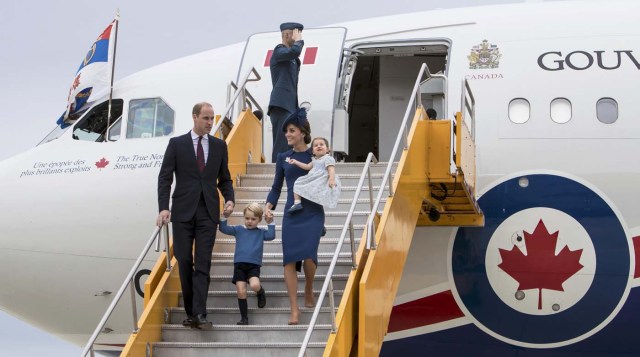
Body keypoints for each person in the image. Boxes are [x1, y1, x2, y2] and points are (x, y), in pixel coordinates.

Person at [156, 102, 235, 330]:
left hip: (208, 212)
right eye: (206, 118)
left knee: (203, 263)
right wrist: (163, 208)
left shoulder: (219, 146)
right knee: (183, 260)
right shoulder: (177, 144)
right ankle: (191, 312)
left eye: (212, 119)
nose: (210, 123)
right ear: (195, 117)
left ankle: (199, 313)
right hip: (182, 212)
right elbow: (165, 178)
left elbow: (225, 179)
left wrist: (229, 198)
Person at [265, 108, 323, 325]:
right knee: (289, 260)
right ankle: (294, 309)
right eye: (286, 131)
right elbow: (276, 187)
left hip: (313, 210)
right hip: (292, 212)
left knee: (309, 254)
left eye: (291, 130)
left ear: (302, 132)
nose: (287, 135)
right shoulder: (283, 157)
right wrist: (268, 206)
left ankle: (308, 286)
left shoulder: (315, 156)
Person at [219, 203, 275, 325]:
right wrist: (224, 216)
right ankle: (244, 318)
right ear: (244, 217)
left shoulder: (260, 232)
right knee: (241, 291)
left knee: (254, 285)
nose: (250, 221)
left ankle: (260, 292)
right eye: (247, 218)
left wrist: (270, 222)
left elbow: (271, 236)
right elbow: (223, 228)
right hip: (239, 265)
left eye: (253, 219)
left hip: (253, 265)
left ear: (259, 220)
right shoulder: (238, 229)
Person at [268, 22, 304, 163]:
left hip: (290, 105)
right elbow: (293, 51)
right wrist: (299, 42)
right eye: (297, 33)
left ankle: (286, 168)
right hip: (281, 104)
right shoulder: (279, 51)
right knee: (282, 141)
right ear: (288, 35)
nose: (299, 37)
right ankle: (277, 169)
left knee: (290, 141)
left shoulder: (294, 60)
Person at [287, 137, 341, 213]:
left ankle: (316, 198)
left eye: (321, 144)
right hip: (314, 178)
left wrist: (331, 179)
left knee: (317, 189)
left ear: (327, 149)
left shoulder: (328, 158)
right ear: (313, 151)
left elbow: (331, 169)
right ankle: (297, 203)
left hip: (322, 179)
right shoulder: (314, 160)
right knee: (298, 182)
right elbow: (307, 167)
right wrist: (296, 162)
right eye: (316, 145)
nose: (319, 146)